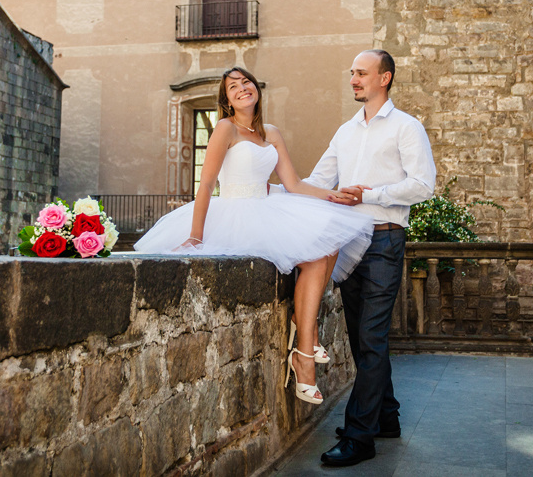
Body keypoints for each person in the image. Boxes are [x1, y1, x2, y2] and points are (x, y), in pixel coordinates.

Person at [134, 66, 374, 405]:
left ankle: (303, 328)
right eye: (233, 87)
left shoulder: (271, 132)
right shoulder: (225, 128)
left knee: (328, 243)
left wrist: (334, 195)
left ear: (255, 88)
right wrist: (196, 236)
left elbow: (294, 184)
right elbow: (206, 184)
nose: (242, 88)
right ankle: (305, 351)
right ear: (227, 100)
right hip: (236, 213)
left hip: (267, 206)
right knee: (316, 258)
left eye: (245, 82)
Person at [313, 50, 436, 468]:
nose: (354, 79)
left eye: (362, 73)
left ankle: (359, 436)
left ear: (385, 78)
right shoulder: (345, 132)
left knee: (370, 336)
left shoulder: (406, 126)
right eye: (352, 73)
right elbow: (319, 181)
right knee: (360, 336)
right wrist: (275, 190)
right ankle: (386, 417)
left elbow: (423, 185)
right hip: (349, 242)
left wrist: (371, 195)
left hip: (384, 239)